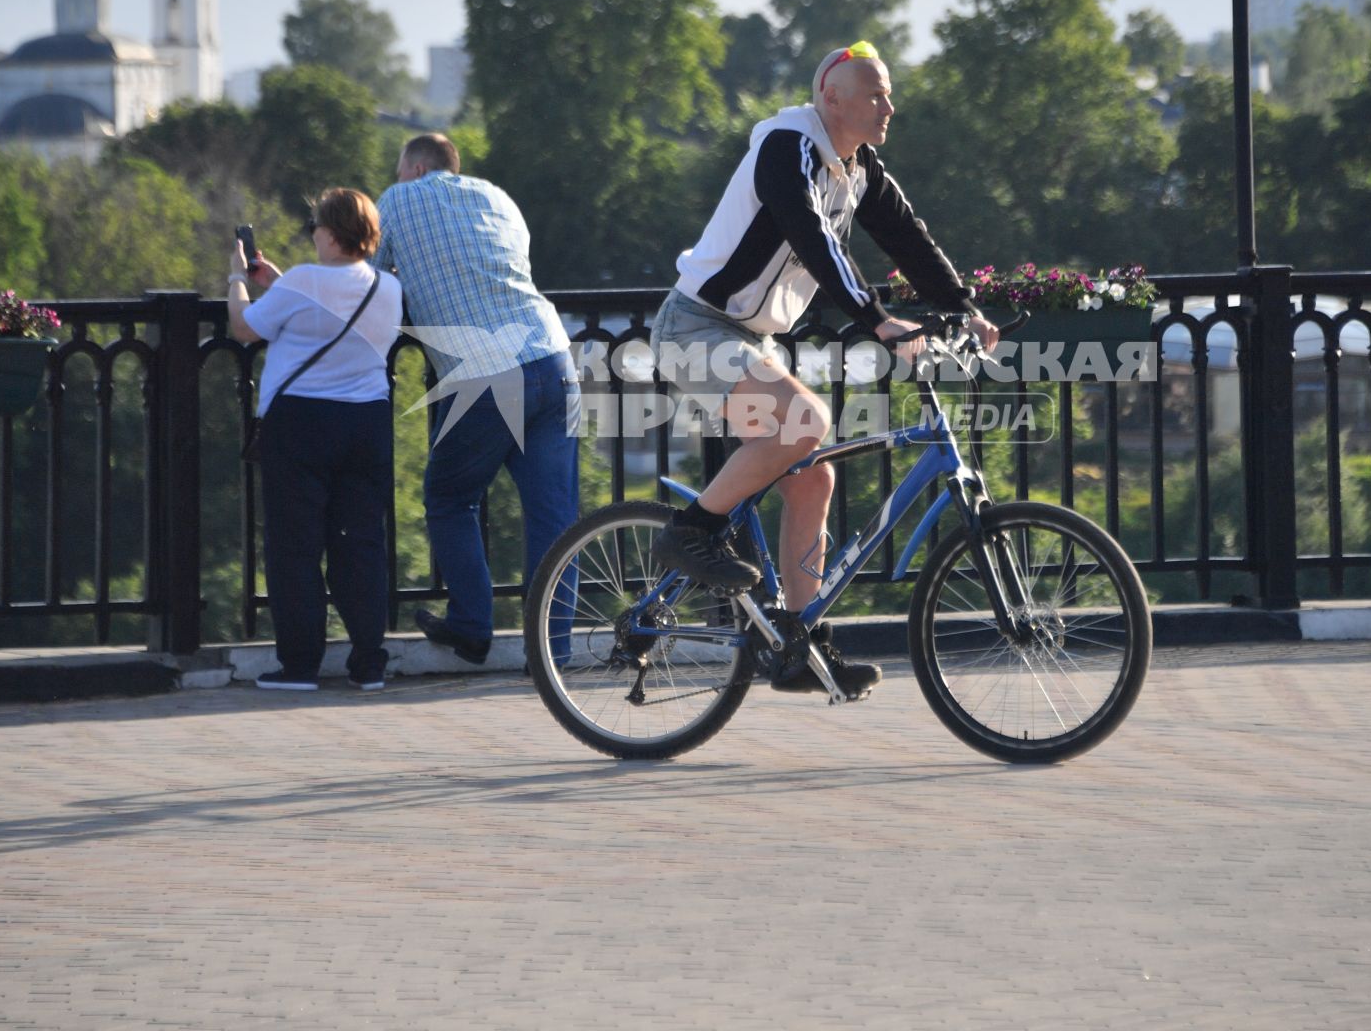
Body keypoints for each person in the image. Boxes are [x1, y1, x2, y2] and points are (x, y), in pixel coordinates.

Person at [650, 41, 997, 696]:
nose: (889, 106)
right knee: (805, 418)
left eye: (889, 93)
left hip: (750, 337)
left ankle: (794, 645)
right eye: (876, 94)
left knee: (814, 480)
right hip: (695, 327)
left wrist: (964, 308)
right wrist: (877, 319)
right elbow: (812, 235)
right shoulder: (790, 147)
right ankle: (688, 533)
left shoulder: (858, 168)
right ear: (831, 99)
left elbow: (908, 239)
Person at [373, 133, 579, 666]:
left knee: (450, 499)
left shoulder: (397, 200)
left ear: (415, 168)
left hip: (483, 372)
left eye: (400, 171)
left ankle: (470, 625)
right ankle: (552, 654)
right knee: (555, 518)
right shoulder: (497, 196)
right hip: (552, 357)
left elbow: (368, 282)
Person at [227, 188, 404, 692]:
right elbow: (333, 314)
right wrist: (278, 283)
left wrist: (239, 278)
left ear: (327, 231)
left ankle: (300, 665)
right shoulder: (387, 288)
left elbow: (243, 328)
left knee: (295, 546)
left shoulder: (304, 281)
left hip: (301, 425)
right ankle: (370, 663)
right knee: (361, 543)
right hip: (366, 423)